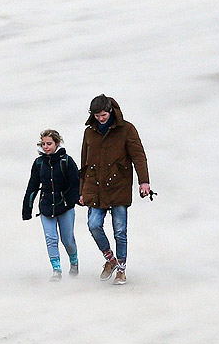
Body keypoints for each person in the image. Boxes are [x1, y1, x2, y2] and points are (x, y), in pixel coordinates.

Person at [79, 95, 151, 285]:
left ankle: (121, 269)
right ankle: (110, 260)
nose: (100, 119)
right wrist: (82, 191)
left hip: (119, 185)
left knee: (120, 230)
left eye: (103, 115)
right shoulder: (89, 133)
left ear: (111, 111)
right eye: (97, 115)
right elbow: (84, 162)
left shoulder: (126, 129)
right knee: (94, 225)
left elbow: (138, 156)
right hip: (95, 187)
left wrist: (144, 182)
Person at [23, 129, 80, 281]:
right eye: (43, 144)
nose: (46, 147)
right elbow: (33, 186)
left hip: (65, 206)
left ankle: (74, 261)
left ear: (57, 143)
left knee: (67, 239)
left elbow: (76, 183)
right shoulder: (39, 163)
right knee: (51, 238)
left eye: (49, 143)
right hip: (46, 206)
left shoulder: (66, 161)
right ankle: (56, 270)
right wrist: (27, 209)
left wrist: (75, 199)